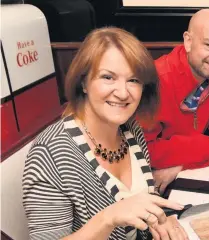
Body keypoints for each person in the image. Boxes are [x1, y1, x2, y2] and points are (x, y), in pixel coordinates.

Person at [22, 27, 188, 240]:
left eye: (134, 80)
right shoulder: (49, 154)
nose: (122, 92)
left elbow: (142, 204)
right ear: (83, 82)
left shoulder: (131, 130)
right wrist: (108, 218)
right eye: (108, 77)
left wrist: (160, 221)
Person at [143, 9, 209, 193]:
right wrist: (205, 147)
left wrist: (178, 166)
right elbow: (143, 151)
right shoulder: (156, 79)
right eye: (208, 45)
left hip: (180, 177)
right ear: (188, 41)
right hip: (147, 186)